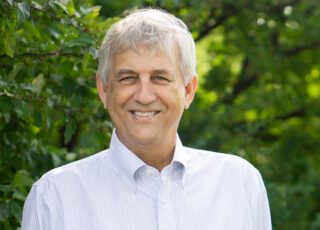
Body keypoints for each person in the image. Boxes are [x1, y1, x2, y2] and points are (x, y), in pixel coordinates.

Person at [22, 8, 271, 230]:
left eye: (160, 78)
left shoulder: (239, 184)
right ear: (104, 89)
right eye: (128, 77)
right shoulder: (55, 197)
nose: (143, 95)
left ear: (188, 90)